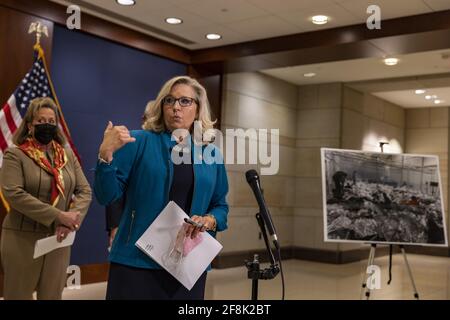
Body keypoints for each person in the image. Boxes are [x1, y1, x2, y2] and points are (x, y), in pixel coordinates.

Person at [94, 76, 229, 300]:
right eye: (169, 100)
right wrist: (105, 156)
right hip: (136, 262)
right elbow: (106, 196)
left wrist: (210, 220)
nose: (176, 107)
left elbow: (220, 206)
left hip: (188, 264)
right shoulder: (139, 142)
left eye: (185, 101)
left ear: (198, 109)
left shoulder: (211, 154)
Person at [0, 97, 92, 300]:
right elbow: (13, 193)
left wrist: (70, 222)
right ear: (30, 125)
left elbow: (85, 191)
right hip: (21, 238)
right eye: (41, 121)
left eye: (51, 122)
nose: (47, 126)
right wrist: (59, 216)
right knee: (18, 295)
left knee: (52, 295)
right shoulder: (15, 155)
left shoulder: (67, 156)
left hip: (58, 238)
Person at [105, 100, 155, 249]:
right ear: (143, 119)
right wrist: (115, 226)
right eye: (151, 117)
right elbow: (114, 191)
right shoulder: (130, 145)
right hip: (130, 226)